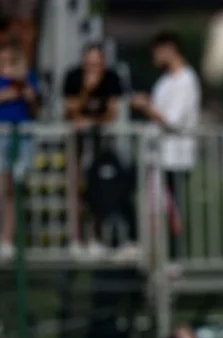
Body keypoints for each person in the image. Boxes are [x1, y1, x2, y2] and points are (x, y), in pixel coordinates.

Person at [131, 30, 201, 261]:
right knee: (155, 214)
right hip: (159, 158)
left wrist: (146, 107)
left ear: (169, 49)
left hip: (176, 158)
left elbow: (173, 121)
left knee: (172, 215)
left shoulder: (186, 79)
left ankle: (173, 263)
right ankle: (159, 260)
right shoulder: (165, 80)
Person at [63, 43, 124, 258]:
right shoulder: (73, 77)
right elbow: (70, 111)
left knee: (98, 189)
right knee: (76, 189)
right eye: (89, 64)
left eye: (97, 64)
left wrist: (91, 121)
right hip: (77, 143)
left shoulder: (111, 78)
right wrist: (86, 91)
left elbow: (112, 112)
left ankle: (96, 237)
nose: (93, 69)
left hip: (101, 143)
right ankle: (76, 238)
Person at [0, 40, 37, 260]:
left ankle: (7, 239)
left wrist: (24, 88)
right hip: (2, 136)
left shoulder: (25, 79)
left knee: (14, 189)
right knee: (1, 187)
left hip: (21, 137)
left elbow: (34, 105)